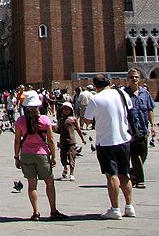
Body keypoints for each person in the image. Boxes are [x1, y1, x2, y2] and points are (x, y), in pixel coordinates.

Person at [83, 73, 135, 219]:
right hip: (124, 140)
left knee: (111, 175)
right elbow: (129, 110)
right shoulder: (122, 94)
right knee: (125, 174)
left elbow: (87, 120)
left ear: (95, 86)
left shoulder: (96, 99)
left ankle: (115, 209)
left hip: (106, 142)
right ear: (109, 82)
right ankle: (129, 207)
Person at [13, 89, 67, 221]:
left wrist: (16, 157)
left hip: (26, 154)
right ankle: (53, 211)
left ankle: (36, 212)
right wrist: (54, 156)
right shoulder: (44, 120)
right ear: (38, 106)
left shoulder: (20, 121)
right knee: (49, 183)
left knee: (32, 185)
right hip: (42, 155)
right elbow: (51, 140)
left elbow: (17, 141)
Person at [122, 70, 156, 189]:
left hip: (143, 129)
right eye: (132, 77)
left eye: (136, 77)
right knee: (135, 155)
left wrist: (153, 125)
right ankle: (140, 180)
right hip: (130, 130)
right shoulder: (123, 94)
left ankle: (132, 172)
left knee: (143, 154)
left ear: (139, 79)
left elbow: (150, 109)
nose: (134, 79)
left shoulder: (144, 93)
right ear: (128, 79)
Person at [54, 100, 85, 181]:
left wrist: (82, 139)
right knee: (62, 158)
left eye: (68, 109)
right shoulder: (60, 120)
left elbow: (78, 130)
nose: (66, 111)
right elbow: (58, 130)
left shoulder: (73, 119)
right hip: (63, 141)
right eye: (64, 109)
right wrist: (52, 128)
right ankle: (65, 168)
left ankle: (71, 173)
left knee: (72, 157)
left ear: (71, 110)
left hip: (71, 141)